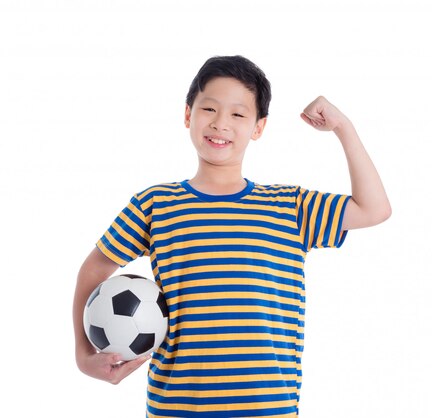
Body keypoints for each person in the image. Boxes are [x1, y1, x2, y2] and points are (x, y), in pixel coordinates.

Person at [73, 55, 391, 417]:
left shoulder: (290, 206)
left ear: (258, 127)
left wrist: (343, 128)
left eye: (238, 115)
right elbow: (93, 270)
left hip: (269, 408)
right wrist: (85, 356)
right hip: (177, 408)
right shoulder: (156, 203)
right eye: (209, 108)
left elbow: (374, 208)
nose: (221, 123)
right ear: (188, 115)